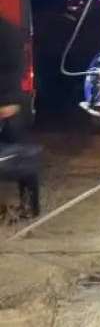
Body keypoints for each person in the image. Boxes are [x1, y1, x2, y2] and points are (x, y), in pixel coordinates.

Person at [0, 17, 39, 218]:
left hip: (7, 102)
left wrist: (7, 101)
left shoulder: (7, 31)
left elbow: (14, 69)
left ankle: (30, 206)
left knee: (21, 158)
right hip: (9, 100)